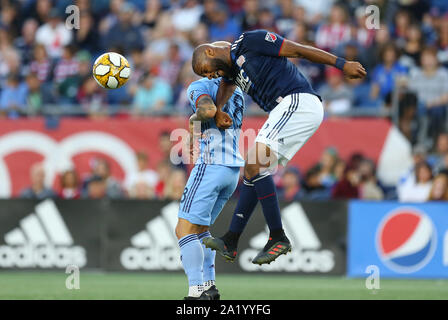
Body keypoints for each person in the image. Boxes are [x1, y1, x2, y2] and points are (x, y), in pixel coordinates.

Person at [191, 29, 366, 265]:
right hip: (286, 109)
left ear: (210, 51)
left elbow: (298, 50)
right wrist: (219, 110)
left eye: (206, 69)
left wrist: (341, 63)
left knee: (253, 163)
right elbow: (225, 86)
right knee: (252, 170)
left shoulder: (249, 41)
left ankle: (277, 237)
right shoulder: (230, 71)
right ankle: (232, 240)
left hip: (298, 100)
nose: (210, 75)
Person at [174, 77, 245, 300]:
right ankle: (210, 286)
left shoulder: (200, 86)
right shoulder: (238, 90)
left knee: (184, 230)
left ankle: (196, 291)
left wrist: (193, 119)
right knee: (201, 230)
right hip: (232, 171)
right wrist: (193, 130)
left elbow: (207, 110)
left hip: (211, 166)